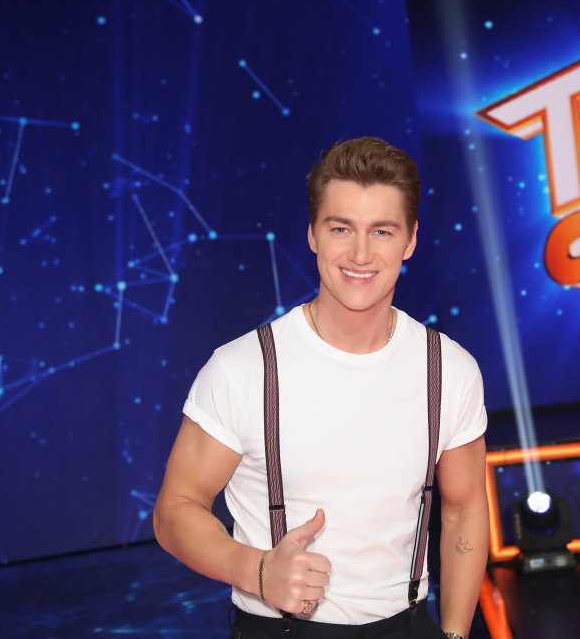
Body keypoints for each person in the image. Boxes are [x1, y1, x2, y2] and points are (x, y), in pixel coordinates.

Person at [154, 137, 489, 639]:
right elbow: (175, 510)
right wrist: (256, 570)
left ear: (410, 240)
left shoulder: (449, 369)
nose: (360, 253)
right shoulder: (242, 368)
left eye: (382, 231)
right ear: (312, 234)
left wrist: (456, 635)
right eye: (340, 228)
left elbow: (464, 510)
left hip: (408, 626)